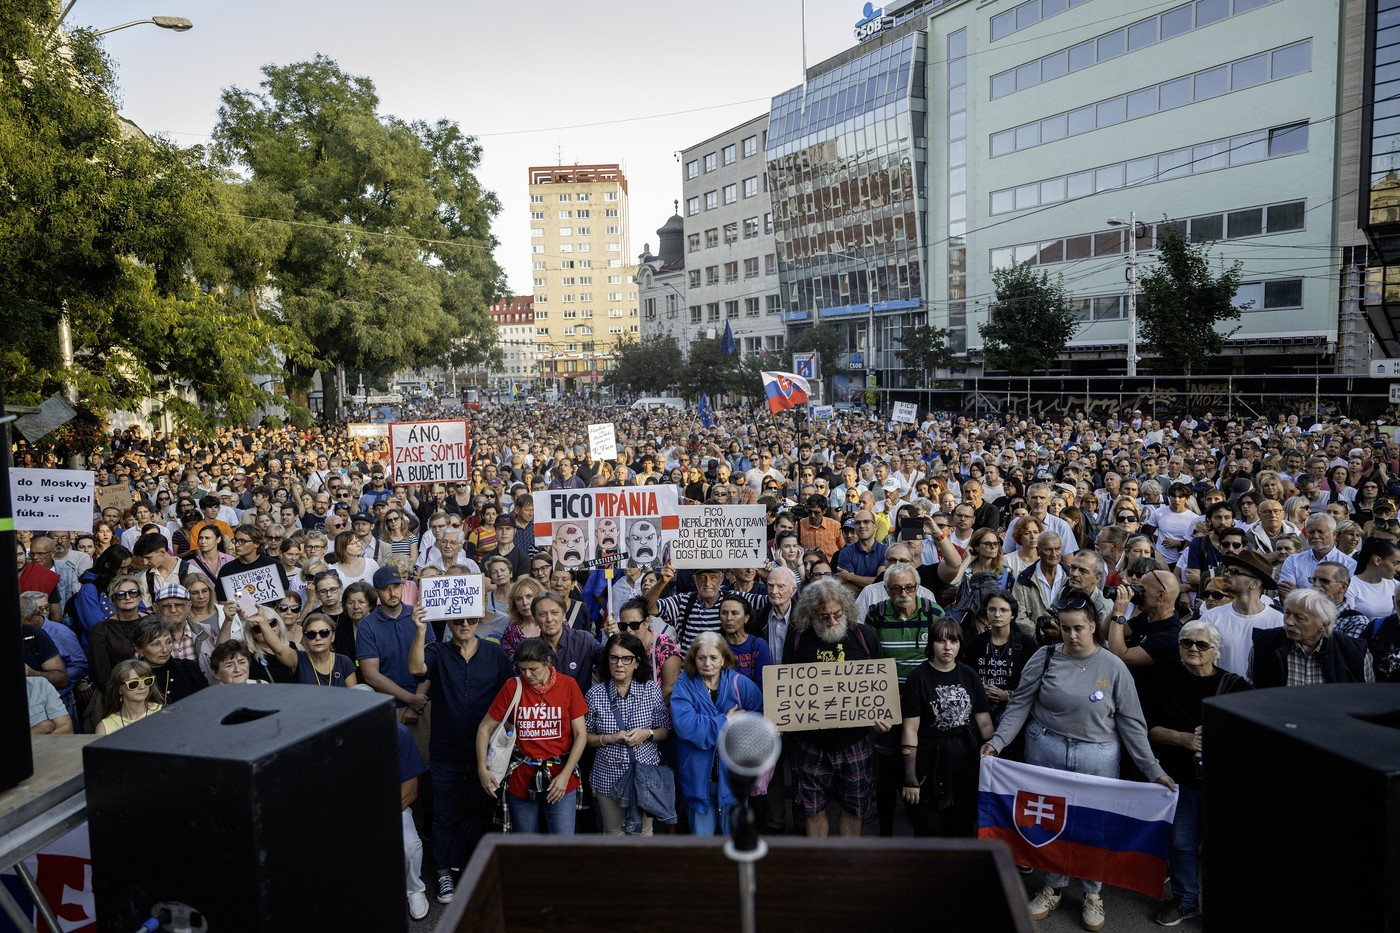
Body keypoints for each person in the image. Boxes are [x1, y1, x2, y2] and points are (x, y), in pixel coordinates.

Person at [982, 593, 1175, 932]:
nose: (1072, 636)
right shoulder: (1043, 657)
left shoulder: (1114, 666)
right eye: (1066, 628)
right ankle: (1053, 885)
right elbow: (1020, 705)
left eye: (1080, 629)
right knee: (1049, 823)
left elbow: (1132, 724)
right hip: (1046, 751)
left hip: (1097, 757)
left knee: (1091, 828)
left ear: (1093, 627)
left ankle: (1092, 892)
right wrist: (997, 742)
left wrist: (1153, 769)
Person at [1143, 620, 1250, 927]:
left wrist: (1221, 734)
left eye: (1201, 645)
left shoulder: (1236, 686)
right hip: (1180, 780)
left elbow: (1250, 734)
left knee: (1225, 849)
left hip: (1224, 783)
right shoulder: (1165, 680)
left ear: (1215, 652)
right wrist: (1185, 739)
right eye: (1186, 643)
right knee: (1182, 844)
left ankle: (1226, 905)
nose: (1192, 649)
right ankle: (1186, 901)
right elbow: (1149, 730)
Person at [408, 607, 511, 903]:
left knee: (481, 815)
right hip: (446, 753)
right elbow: (416, 670)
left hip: (485, 755)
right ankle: (443, 874)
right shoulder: (437, 652)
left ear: (479, 620)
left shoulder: (495, 655)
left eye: (471, 619)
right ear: (449, 623)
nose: (465, 624)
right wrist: (419, 630)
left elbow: (511, 694)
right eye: (458, 620)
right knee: (444, 816)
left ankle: (477, 871)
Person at [783, 578, 892, 838]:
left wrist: (880, 714)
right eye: (824, 616)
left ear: (846, 609)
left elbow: (879, 684)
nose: (832, 621)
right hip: (811, 741)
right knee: (812, 809)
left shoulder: (864, 636)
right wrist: (782, 718)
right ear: (811, 614)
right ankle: (820, 866)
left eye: (837, 614)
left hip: (854, 740)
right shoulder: (798, 639)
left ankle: (847, 865)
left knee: (854, 808)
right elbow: (785, 687)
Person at [476, 637, 588, 835]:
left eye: (533, 669)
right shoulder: (513, 686)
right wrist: (482, 768)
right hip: (522, 777)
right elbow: (485, 728)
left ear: (547, 661)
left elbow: (581, 735)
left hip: (560, 776)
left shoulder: (568, 685)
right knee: (526, 847)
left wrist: (565, 776)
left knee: (563, 847)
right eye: (522, 669)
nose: (527, 675)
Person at [899, 617, 993, 837]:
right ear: (932, 643)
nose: (947, 647)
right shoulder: (918, 678)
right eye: (941, 641)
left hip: (966, 762)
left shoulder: (970, 675)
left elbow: (985, 723)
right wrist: (910, 777)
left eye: (953, 641)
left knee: (962, 825)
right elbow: (910, 730)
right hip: (929, 762)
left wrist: (992, 764)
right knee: (929, 828)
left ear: (960, 643)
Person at [671, 632, 762, 836]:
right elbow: (686, 726)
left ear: (723, 659)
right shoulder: (684, 685)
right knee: (702, 846)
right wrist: (725, 722)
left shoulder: (740, 684)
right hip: (697, 780)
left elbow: (759, 721)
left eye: (713, 657)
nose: (707, 663)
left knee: (736, 842)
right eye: (701, 658)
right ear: (694, 659)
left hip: (733, 779)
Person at [585, 632, 672, 835]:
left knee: (643, 833)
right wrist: (609, 738)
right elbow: (585, 739)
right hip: (608, 776)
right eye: (614, 658)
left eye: (626, 659)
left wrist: (647, 734)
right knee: (614, 833)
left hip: (644, 776)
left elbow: (664, 731)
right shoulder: (595, 694)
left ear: (637, 662)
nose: (619, 664)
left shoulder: (651, 690)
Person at [359, 567, 432, 756]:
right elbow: (370, 675)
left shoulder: (419, 615)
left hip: (423, 703)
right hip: (390, 708)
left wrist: (417, 703)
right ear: (376, 592)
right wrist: (409, 700)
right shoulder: (367, 625)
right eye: (386, 589)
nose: (393, 593)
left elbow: (432, 661)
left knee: (424, 764)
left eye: (396, 587)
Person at [1248, 588, 1375, 686]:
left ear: (1323, 625)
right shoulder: (1264, 644)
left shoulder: (1354, 652)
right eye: (1287, 613)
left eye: (1299, 618)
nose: (1289, 622)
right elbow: (1253, 690)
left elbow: (1365, 696)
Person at [963, 589, 1035, 728]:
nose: (997, 614)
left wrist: (1007, 696)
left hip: (1014, 714)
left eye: (1003, 610)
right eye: (992, 609)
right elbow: (966, 678)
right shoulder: (975, 644)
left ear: (1013, 614)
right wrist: (979, 689)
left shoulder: (1026, 644)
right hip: (980, 712)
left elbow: (1033, 685)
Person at [89, 573, 150, 690]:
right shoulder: (100, 629)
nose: (128, 597)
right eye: (121, 594)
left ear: (140, 596)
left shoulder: (151, 621)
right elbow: (101, 674)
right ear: (113, 599)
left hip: (153, 685)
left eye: (133, 592)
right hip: (118, 690)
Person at [397, 722, 430, 921]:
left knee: (409, 844)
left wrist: (375, 821)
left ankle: (414, 889)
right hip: (351, 813)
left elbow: (410, 791)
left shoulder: (398, 733)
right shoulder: (340, 735)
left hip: (391, 809)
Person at [133, 620, 209, 705]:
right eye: (156, 644)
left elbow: (207, 702)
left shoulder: (188, 668)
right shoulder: (132, 677)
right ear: (139, 649)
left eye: (168, 642)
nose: (164, 650)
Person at [94, 658, 165, 735]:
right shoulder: (104, 727)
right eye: (134, 683)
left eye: (147, 681)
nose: (142, 687)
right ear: (119, 689)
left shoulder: (164, 713)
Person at [717, 594, 771, 688]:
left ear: (746, 617)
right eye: (724, 613)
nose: (728, 618)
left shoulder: (758, 645)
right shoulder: (715, 646)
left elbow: (764, 684)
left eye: (734, 613)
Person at [1346, 537, 1400, 621]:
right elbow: (1350, 620)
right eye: (1395, 563)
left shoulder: (1395, 585)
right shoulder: (1350, 585)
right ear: (1377, 560)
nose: (1398, 569)